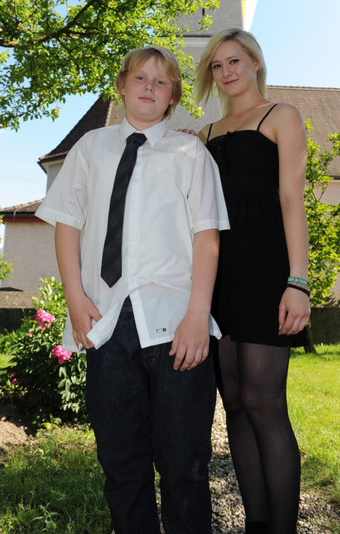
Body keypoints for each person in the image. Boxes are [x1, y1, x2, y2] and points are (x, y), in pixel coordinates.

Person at [36, 46, 229, 534]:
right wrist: (75, 299)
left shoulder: (191, 154)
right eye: (140, 78)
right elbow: (67, 223)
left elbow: (206, 237)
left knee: (185, 463)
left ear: (173, 98)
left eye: (161, 82)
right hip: (105, 319)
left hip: (177, 321)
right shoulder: (91, 147)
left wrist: (197, 316)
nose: (149, 87)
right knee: (122, 462)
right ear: (122, 85)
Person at [195, 28, 311, 534]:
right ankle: (256, 525)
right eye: (217, 66)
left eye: (234, 61)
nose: (226, 72)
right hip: (218, 276)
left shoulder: (280, 116)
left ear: (256, 63)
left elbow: (292, 200)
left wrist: (298, 282)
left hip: (266, 272)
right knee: (237, 407)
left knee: (265, 406)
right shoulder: (206, 134)